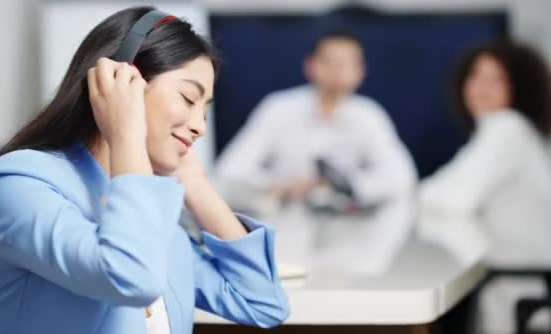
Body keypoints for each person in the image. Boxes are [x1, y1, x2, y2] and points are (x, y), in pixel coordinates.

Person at [0, 7, 289, 334]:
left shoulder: (153, 217)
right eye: (187, 98)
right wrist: (127, 136)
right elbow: (131, 277)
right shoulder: (17, 183)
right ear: (125, 82)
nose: (200, 125)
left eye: (205, 109)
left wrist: (197, 186)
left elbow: (263, 304)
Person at [419, 39, 551, 333]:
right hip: (508, 278)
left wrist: (413, 196)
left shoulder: (507, 128)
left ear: (520, 86)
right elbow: (442, 184)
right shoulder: (497, 131)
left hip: (522, 284)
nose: (482, 86)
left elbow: (454, 198)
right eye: (476, 75)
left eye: (497, 78)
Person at [215, 30, 416, 211]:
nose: (338, 70)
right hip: (284, 225)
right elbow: (230, 171)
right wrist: (280, 184)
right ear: (310, 65)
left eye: (347, 63)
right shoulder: (279, 108)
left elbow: (401, 178)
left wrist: (346, 185)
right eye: (329, 61)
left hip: (348, 230)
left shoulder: (368, 115)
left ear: (360, 71)